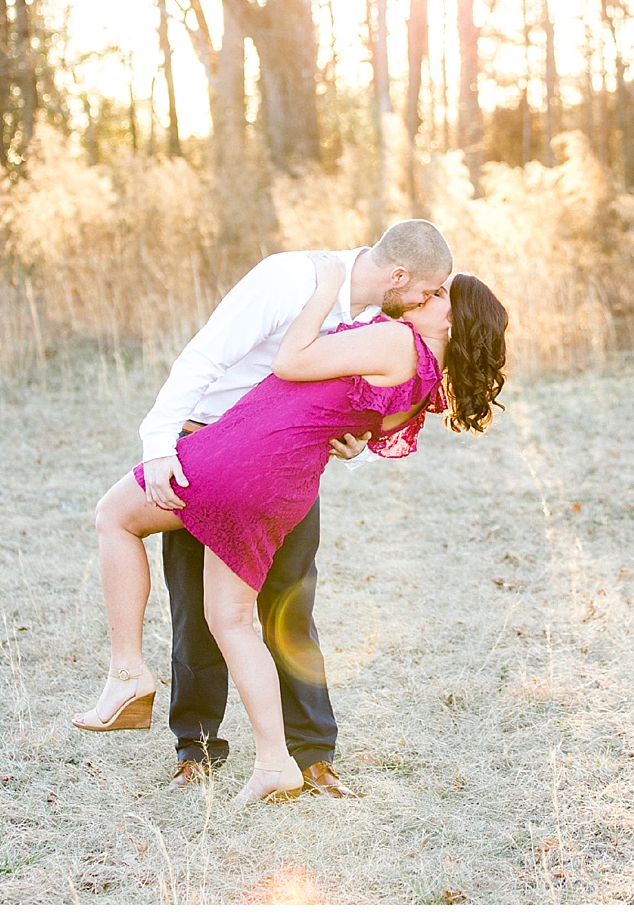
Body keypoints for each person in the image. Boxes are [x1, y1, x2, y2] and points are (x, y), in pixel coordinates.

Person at [76, 249, 509, 806]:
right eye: (431, 288)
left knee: (117, 518)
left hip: (240, 460)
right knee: (226, 619)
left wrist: (325, 290)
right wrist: (354, 441)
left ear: (450, 319)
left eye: (440, 295)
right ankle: (266, 761)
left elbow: (291, 362)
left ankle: (129, 673)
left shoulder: (394, 339)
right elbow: (354, 418)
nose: (428, 297)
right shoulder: (426, 383)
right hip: (282, 480)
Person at [132, 221, 453, 794]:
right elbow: (202, 357)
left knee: (290, 608)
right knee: (197, 613)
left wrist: (356, 450)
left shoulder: (378, 325)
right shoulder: (291, 277)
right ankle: (196, 749)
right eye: (430, 291)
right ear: (399, 274)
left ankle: (312, 755)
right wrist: (160, 447)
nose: (430, 302)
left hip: (286, 472)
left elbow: (359, 404)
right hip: (205, 450)